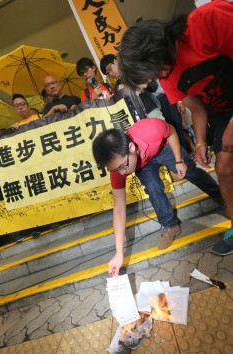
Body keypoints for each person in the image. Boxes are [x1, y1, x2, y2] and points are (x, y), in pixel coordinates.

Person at [118, 0, 233, 256]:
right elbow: (199, 108)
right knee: (224, 168)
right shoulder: (167, 77)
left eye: (150, 73)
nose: (152, 80)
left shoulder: (208, 19)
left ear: (156, 49)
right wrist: (201, 142)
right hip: (223, 112)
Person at [92, 118, 223, 276]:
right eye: (115, 170)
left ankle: (223, 198)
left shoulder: (151, 128)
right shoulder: (119, 168)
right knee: (153, 188)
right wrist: (119, 253)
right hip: (144, 164)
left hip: (164, 147)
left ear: (131, 147)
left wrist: (179, 161)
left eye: (122, 166)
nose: (122, 173)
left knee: (190, 171)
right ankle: (171, 225)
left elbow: (172, 132)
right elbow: (119, 209)